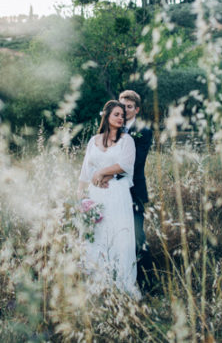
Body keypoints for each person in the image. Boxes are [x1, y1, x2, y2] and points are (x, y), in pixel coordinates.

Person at [77, 100, 140, 299]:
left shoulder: (127, 141)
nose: (121, 118)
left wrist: (102, 172)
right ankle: (97, 284)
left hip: (117, 194)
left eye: (123, 115)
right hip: (96, 195)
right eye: (117, 114)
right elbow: (85, 171)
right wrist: (80, 196)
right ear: (106, 116)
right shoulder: (93, 140)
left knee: (119, 237)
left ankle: (121, 285)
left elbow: (125, 164)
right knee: (96, 235)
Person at [116, 90, 153, 290]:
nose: (125, 110)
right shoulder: (113, 127)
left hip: (134, 190)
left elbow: (136, 163)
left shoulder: (144, 131)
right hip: (113, 191)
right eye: (122, 106)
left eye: (129, 107)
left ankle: (147, 283)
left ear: (136, 109)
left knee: (137, 236)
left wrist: (110, 172)